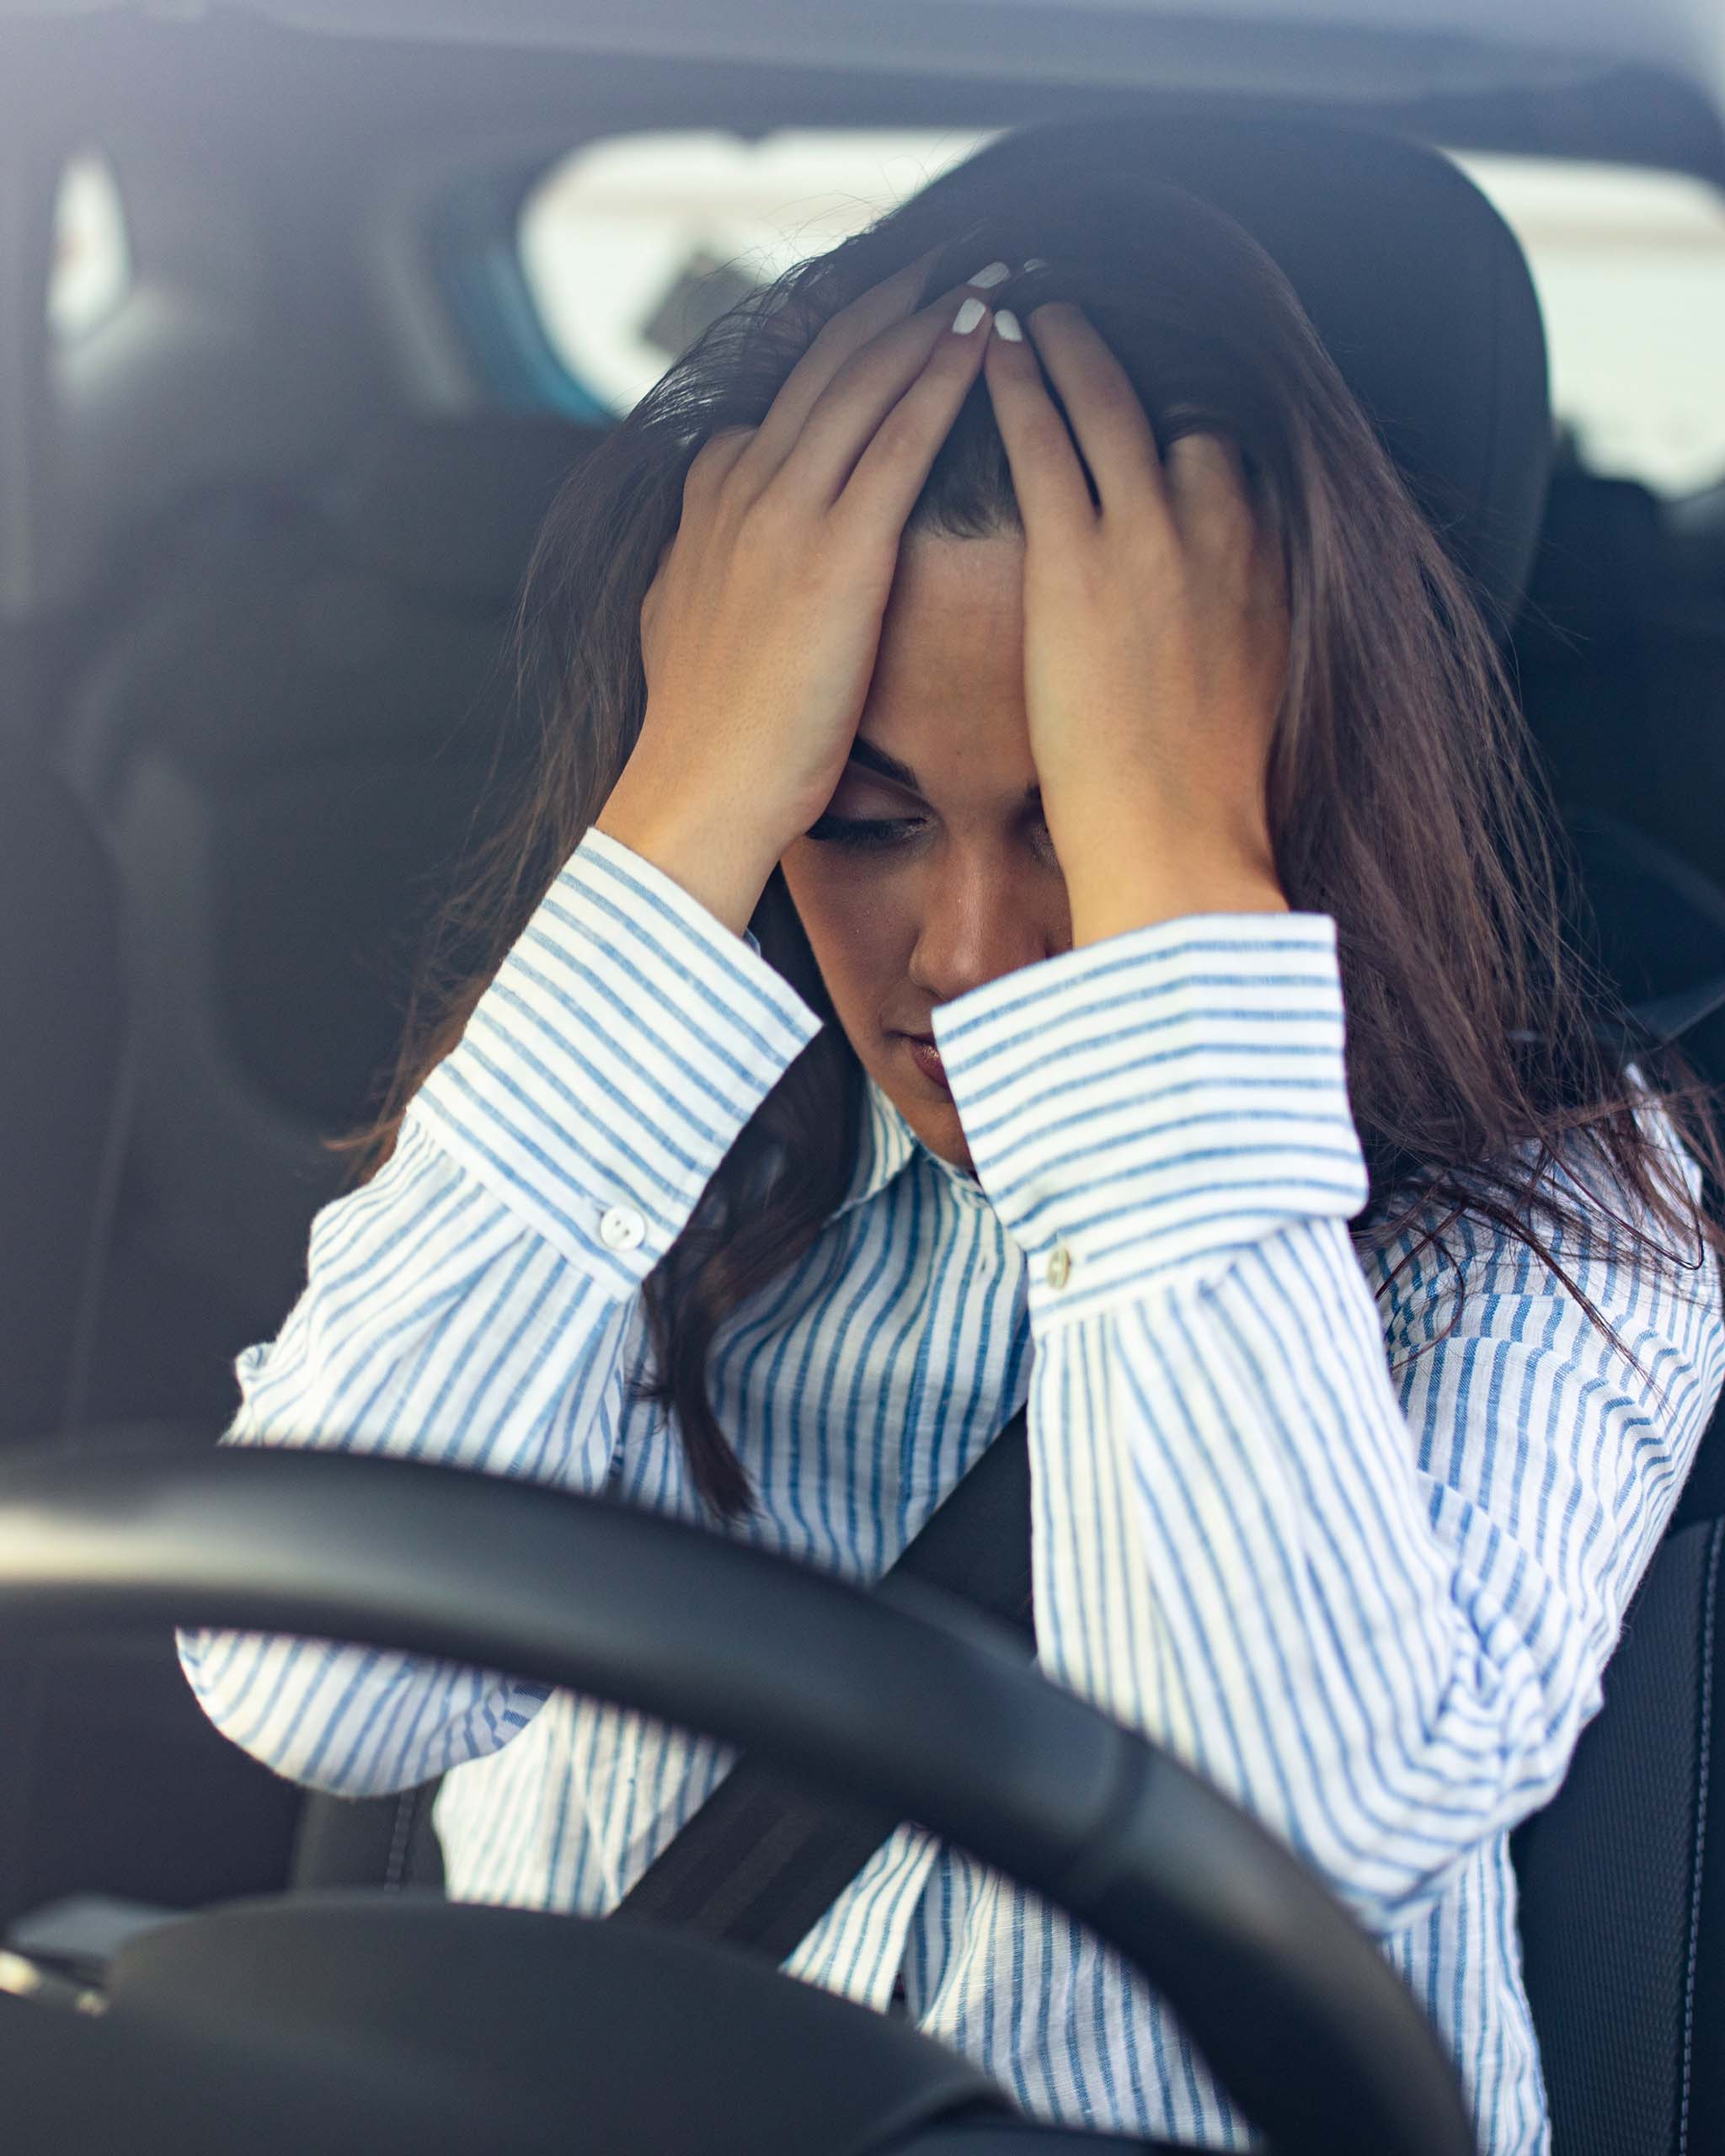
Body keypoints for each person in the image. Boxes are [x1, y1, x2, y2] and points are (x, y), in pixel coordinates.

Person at [178, 119, 1725, 2153]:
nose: (976, 957)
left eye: (1082, 825)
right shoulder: (651, 1131)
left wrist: (1182, 906)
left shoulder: (1572, 1206)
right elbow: (319, 1690)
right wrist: (682, 807)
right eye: (860, 813)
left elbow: (1282, 1840)